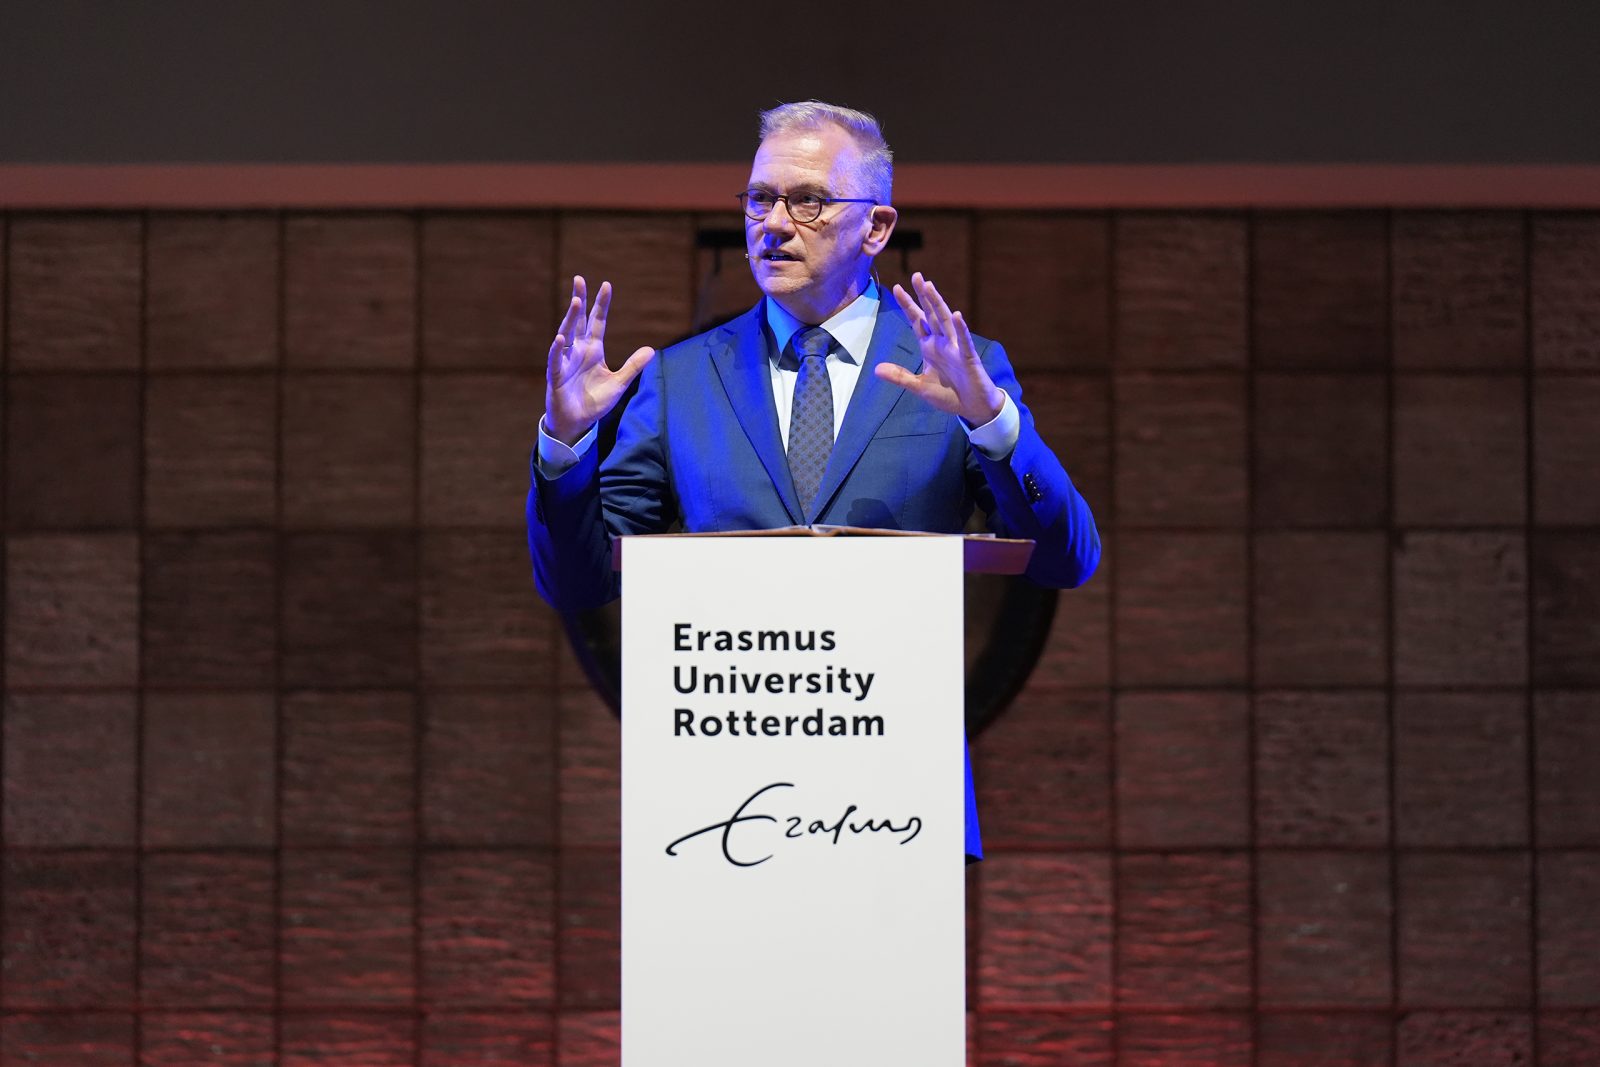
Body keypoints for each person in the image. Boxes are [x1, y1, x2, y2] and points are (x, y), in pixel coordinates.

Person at [526, 100, 1101, 860]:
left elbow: (1066, 558)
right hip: (720, 805)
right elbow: (577, 583)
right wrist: (565, 444)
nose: (773, 223)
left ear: (877, 227)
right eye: (760, 198)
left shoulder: (959, 372)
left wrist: (993, 424)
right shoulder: (681, 377)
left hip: (899, 796)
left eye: (808, 201)